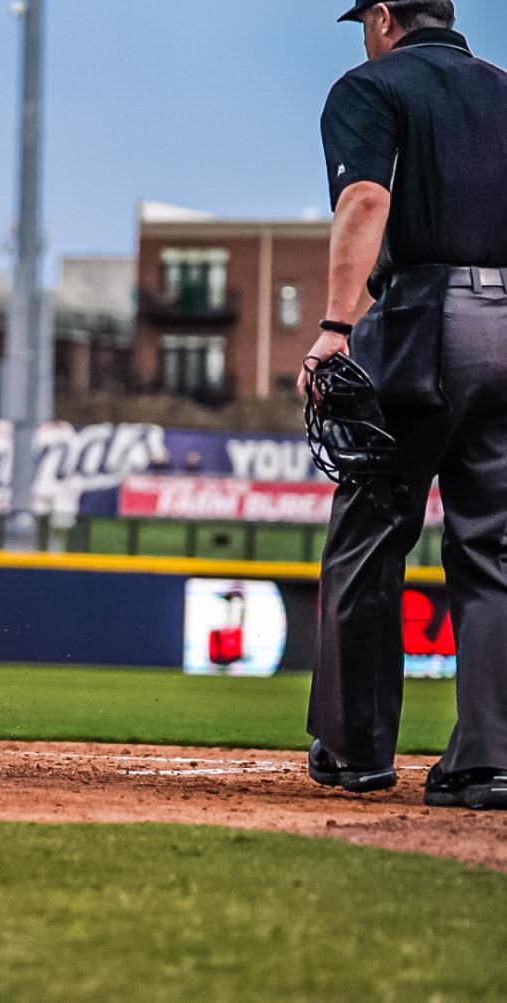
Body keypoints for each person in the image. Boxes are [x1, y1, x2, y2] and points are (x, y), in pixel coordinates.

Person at [300, 1, 507, 808]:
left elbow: (363, 201)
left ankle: (355, 752)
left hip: (423, 321)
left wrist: (331, 329)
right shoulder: (501, 89)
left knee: (370, 532)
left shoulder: (371, 84)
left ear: (383, 17)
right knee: (492, 550)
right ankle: (487, 761)